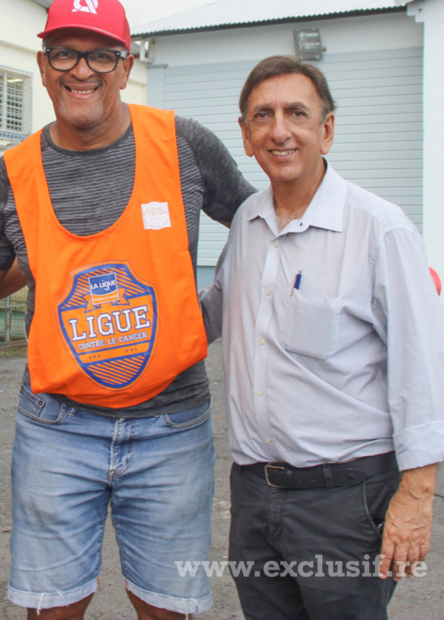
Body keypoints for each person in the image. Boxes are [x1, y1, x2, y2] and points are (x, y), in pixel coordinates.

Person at [0, 0, 255, 617]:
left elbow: (265, 225)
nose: (82, 69)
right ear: (43, 66)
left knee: (166, 606)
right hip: (57, 430)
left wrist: (367, 259)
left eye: (101, 53)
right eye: (65, 52)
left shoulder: (184, 144)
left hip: (173, 429)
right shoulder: (11, 175)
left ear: (126, 65)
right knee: (52, 609)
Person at [199, 55, 444, 619]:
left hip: (345, 501)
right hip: (255, 496)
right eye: (263, 115)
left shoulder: (380, 229)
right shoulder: (246, 222)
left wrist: (418, 497)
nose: (279, 130)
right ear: (245, 134)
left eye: (296, 113)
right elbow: (216, 310)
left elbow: (423, 367)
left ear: (326, 129)